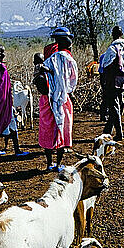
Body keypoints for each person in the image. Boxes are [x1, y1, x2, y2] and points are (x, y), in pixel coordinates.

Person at [38, 27, 78, 171]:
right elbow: (73, 83)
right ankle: (59, 164)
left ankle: (49, 163)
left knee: (48, 130)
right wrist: (65, 90)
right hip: (63, 100)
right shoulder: (69, 60)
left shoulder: (49, 60)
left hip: (47, 101)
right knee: (62, 130)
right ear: (65, 41)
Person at [99, 26, 124, 141]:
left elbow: (106, 65)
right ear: (122, 33)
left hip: (112, 80)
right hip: (122, 80)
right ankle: (107, 130)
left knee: (114, 106)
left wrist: (108, 78)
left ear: (113, 34)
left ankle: (120, 133)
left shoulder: (113, 47)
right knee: (117, 105)